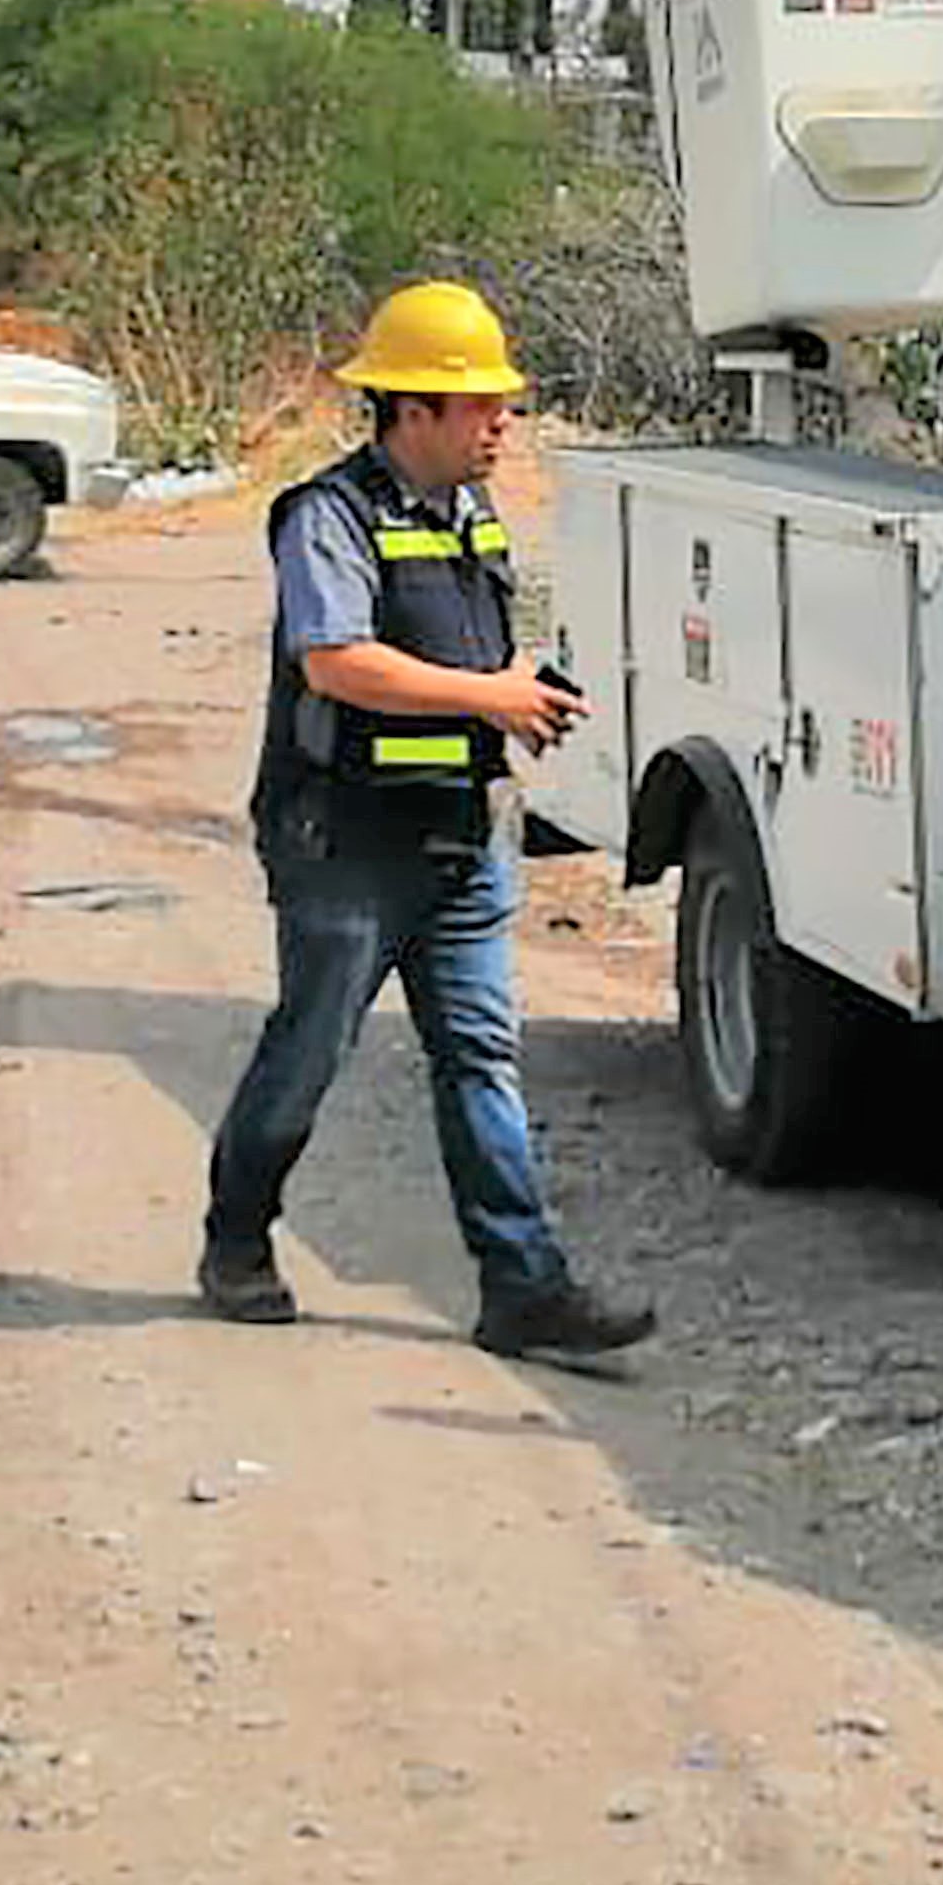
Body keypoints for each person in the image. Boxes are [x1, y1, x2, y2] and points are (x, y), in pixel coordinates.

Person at [197, 281, 657, 1363]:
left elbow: (462, 659)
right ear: (412, 412)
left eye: (502, 405)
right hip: (345, 848)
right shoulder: (327, 518)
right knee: (309, 1053)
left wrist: (518, 696)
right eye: (481, 406)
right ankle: (235, 1239)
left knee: (481, 1061)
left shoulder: (472, 516)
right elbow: (336, 660)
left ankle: (523, 1288)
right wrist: (489, 697)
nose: (503, 424)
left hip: (458, 841)